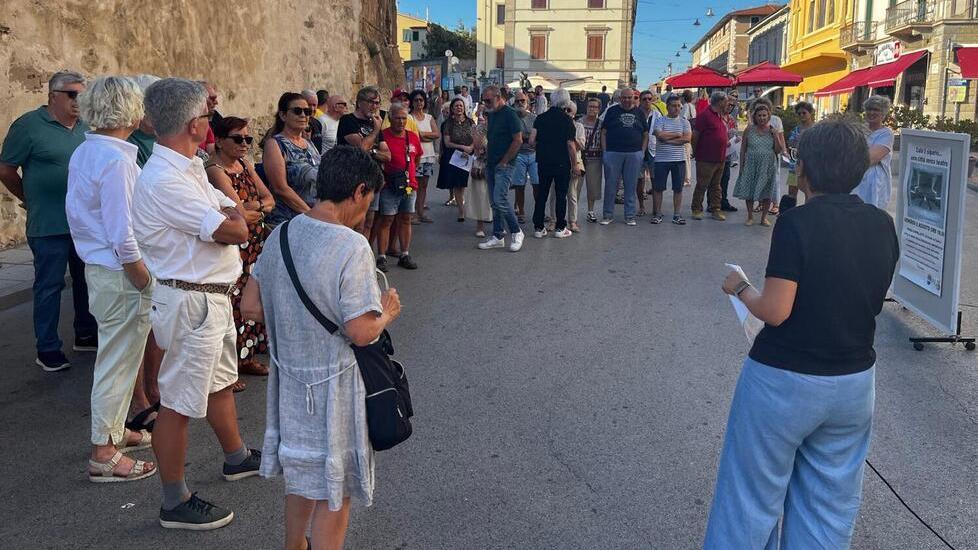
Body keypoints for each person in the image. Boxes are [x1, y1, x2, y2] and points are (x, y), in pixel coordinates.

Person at [706, 119, 899, 549]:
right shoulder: (882, 225)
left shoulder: (797, 223)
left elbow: (775, 309)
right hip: (853, 381)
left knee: (749, 500)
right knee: (828, 506)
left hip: (784, 380)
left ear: (805, 169)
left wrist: (740, 287)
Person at [240, 145, 400, 550]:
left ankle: (295, 545)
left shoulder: (282, 233)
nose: (367, 210)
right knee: (336, 485)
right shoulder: (350, 246)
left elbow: (251, 306)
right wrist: (386, 313)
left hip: (290, 379)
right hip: (336, 386)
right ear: (359, 191)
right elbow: (361, 332)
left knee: (303, 475)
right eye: (369, 200)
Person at [132, 78, 260, 530]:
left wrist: (230, 215)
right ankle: (174, 501)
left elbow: (236, 209)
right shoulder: (167, 178)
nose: (211, 122)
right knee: (180, 405)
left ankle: (237, 456)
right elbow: (237, 227)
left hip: (207, 298)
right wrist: (231, 218)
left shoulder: (187, 166)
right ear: (193, 124)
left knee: (220, 383)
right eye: (208, 116)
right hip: (192, 302)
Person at [66, 76, 157, 483]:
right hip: (119, 271)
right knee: (118, 363)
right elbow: (123, 231)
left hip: (101, 268)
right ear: (130, 110)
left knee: (117, 356)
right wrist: (141, 276)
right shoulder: (117, 159)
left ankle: (115, 432)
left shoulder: (89, 150)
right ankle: (104, 451)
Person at [0, 70, 98, 372]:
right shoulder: (28, 126)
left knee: (86, 282)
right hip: (49, 223)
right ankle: (48, 347)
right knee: (49, 286)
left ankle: (85, 333)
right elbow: (6, 170)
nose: (78, 101)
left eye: (82, 94)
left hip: (83, 224)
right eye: (72, 94)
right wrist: (29, 198)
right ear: (53, 95)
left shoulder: (86, 128)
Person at [206, 116, 276, 392]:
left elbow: (268, 198)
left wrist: (251, 207)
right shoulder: (215, 170)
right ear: (220, 141)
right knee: (234, 303)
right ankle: (229, 366)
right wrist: (250, 209)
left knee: (252, 296)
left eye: (247, 139)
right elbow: (237, 213)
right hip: (235, 245)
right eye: (238, 139)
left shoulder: (245, 164)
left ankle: (246, 356)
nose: (245, 144)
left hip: (254, 242)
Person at [338, 86, 391, 239]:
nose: (375, 106)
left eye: (377, 103)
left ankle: (363, 257)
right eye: (371, 102)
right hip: (353, 178)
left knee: (369, 222)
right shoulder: (348, 121)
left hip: (372, 179)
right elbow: (361, 148)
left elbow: (387, 155)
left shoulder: (375, 123)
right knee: (355, 223)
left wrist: (373, 151)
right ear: (359, 103)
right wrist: (375, 132)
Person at [376, 104, 423, 271]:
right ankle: (381, 256)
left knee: (405, 218)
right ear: (390, 118)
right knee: (386, 219)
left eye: (404, 118)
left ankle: (405, 253)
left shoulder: (413, 137)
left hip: (410, 186)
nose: (401, 121)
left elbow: (416, 158)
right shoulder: (384, 136)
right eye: (397, 118)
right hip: (389, 185)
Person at [478, 85, 525, 251]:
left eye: (488, 100)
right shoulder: (492, 115)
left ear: (498, 97)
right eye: (484, 100)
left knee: (500, 199)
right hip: (491, 164)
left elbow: (518, 140)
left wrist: (505, 161)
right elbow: (489, 140)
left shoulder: (510, 114)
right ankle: (498, 235)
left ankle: (517, 231)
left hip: (504, 165)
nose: (486, 103)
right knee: (494, 202)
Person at [264, 93, 322, 227]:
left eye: (307, 112)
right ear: (283, 115)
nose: (303, 115)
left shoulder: (310, 144)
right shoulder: (275, 144)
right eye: (297, 111)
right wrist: (311, 214)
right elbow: (280, 188)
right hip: (288, 221)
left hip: (314, 218)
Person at [600, 87, 649, 226]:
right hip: (613, 153)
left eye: (630, 97)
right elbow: (603, 132)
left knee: (630, 186)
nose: (627, 100)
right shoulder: (612, 111)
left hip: (634, 154)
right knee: (611, 186)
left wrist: (642, 152)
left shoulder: (639, 113)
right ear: (620, 98)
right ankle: (608, 215)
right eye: (624, 97)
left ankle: (629, 216)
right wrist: (605, 152)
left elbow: (645, 134)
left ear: (634, 98)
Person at [532, 88, 577, 239]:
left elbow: (532, 140)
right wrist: (575, 164)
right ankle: (560, 227)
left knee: (542, 194)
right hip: (562, 162)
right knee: (561, 195)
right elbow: (570, 145)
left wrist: (541, 146)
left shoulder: (540, 118)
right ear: (566, 101)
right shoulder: (567, 120)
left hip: (543, 161)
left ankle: (538, 227)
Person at [733, 98, 782, 227]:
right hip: (751, 164)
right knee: (749, 191)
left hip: (767, 165)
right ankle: (750, 216)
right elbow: (743, 149)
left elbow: (778, 150)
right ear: (755, 116)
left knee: (767, 192)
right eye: (759, 115)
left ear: (768, 116)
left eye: (764, 115)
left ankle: (764, 218)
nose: (762, 118)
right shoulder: (749, 130)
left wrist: (776, 136)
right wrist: (741, 165)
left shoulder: (773, 131)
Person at [651, 95, 691, 225]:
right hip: (661, 160)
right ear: (667, 107)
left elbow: (687, 139)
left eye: (679, 106)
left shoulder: (685, 122)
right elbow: (659, 135)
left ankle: (677, 215)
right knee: (658, 188)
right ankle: (657, 213)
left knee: (678, 189)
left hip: (679, 160)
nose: (677, 108)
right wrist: (677, 135)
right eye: (674, 105)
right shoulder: (660, 120)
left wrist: (668, 141)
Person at [691, 91, 730, 221]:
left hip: (720, 157)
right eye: (726, 101)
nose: (728, 104)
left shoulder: (720, 115)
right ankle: (696, 208)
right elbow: (695, 135)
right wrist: (696, 152)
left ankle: (715, 209)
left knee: (716, 185)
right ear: (719, 102)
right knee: (702, 184)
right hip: (706, 157)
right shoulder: (704, 116)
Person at [853, 95, 894, 209]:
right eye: (869, 109)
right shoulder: (859, 130)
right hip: (856, 178)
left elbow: (871, 159)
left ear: (883, 113)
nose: (871, 112)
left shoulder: (886, 134)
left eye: (876, 109)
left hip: (874, 181)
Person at [409, 89, 439, 224]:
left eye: (421, 100)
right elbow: (412, 136)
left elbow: (436, 134)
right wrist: (427, 136)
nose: (419, 102)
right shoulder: (410, 118)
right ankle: (412, 213)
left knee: (424, 185)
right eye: (416, 100)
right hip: (416, 156)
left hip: (429, 155)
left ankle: (421, 212)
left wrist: (421, 134)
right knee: (414, 185)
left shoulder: (429, 117)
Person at [511, 89, 538, 223]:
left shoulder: (534, 118)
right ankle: (521, 211)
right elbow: (513, 137)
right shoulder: (511, 117)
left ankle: (539, 210)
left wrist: (522, 137)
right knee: (519, 185)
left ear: (527, 102)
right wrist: (527, 137)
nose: (520, 103)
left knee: (537, 184)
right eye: (518, 101)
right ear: (514, 102)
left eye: (523, 100)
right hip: (518, 154)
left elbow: (536, 137)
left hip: (533, 154)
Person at [464, 109, 493, 238]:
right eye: (487, 115)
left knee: (497, 196)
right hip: (481, 164)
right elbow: (477, 148)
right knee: (480, 194)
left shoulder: (501, 129)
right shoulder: (479, 129)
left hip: (497, 164)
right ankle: (479, 225)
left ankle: (498, 224)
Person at [783, 101, 815, 208]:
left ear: (810, 113)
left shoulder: (816, 129)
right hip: (794, 166)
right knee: (791, 193)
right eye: (799, 113)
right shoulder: (795, 130)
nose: (801, 115)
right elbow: (790, 146)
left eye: (804, 113)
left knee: (808, 192)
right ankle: (791, 214)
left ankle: (807, 215)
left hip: (810, 166)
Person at [580, 98, 604, 223]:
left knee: (593, 186)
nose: (592, 109)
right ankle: (572, 212)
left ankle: (591, 211)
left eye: (595, 107)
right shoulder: (579, 122)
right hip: (580, 158)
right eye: (590, 106)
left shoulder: (601, 124)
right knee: (575, 186)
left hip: (595, 157)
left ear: (599, 109)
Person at [719, 99, 739, 213]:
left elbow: (735, 133)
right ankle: (713, 203)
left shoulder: (731, 119)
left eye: (732, 105)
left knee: (725, 179)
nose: (729, 107)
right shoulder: (717, 117)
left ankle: (724, 202)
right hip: (717, 153)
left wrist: (736, 139)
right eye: (728, 104)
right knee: (715, 181)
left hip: (728, 154)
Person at [196, 81, 219, 156]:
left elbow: (212, 154)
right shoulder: (181, 125)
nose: (216, 102)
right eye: (212, 98)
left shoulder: (206, 125)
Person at [680, 90, 696, 186]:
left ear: (684, 98)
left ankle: (686, 179)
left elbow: (683, 119)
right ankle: (687, 178)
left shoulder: (686, 106)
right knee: (687, 156)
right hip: (691, 133)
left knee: (685, 157)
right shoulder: (692, 106)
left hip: (685, 134)